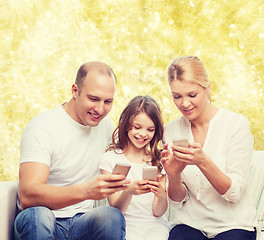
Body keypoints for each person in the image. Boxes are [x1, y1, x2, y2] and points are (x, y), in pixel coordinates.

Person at [14, 61, 130, 240]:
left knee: (111, 217)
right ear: (75, 91)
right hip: (44, 220)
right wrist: (86, 191)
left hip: (82, 222)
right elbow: (28, 195)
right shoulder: (42, 128)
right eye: (93, 99)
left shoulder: (106, 127)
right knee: (37, 216)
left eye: (108, 101)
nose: (100, 109)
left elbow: (134, 153)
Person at [161, 56, 257, 240]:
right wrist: (173, 175)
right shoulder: (171, 130)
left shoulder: (236, 124)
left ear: (207, 88)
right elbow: (177, 200)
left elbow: (235, 193)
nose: (185, 104)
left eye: (192, 95)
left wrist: (202, 161)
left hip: (233, 225)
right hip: (190, 224)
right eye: (177, 96)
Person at [100, 95, 170, 240]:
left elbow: (158, 212)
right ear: (126, 125)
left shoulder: (158, 160)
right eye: (137, 127)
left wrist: (162, 195)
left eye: (150, 130)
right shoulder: (111, 159)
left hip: (154, 226)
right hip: (123, 226)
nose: (143, 134)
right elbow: (116, 211)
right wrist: (129, 192)